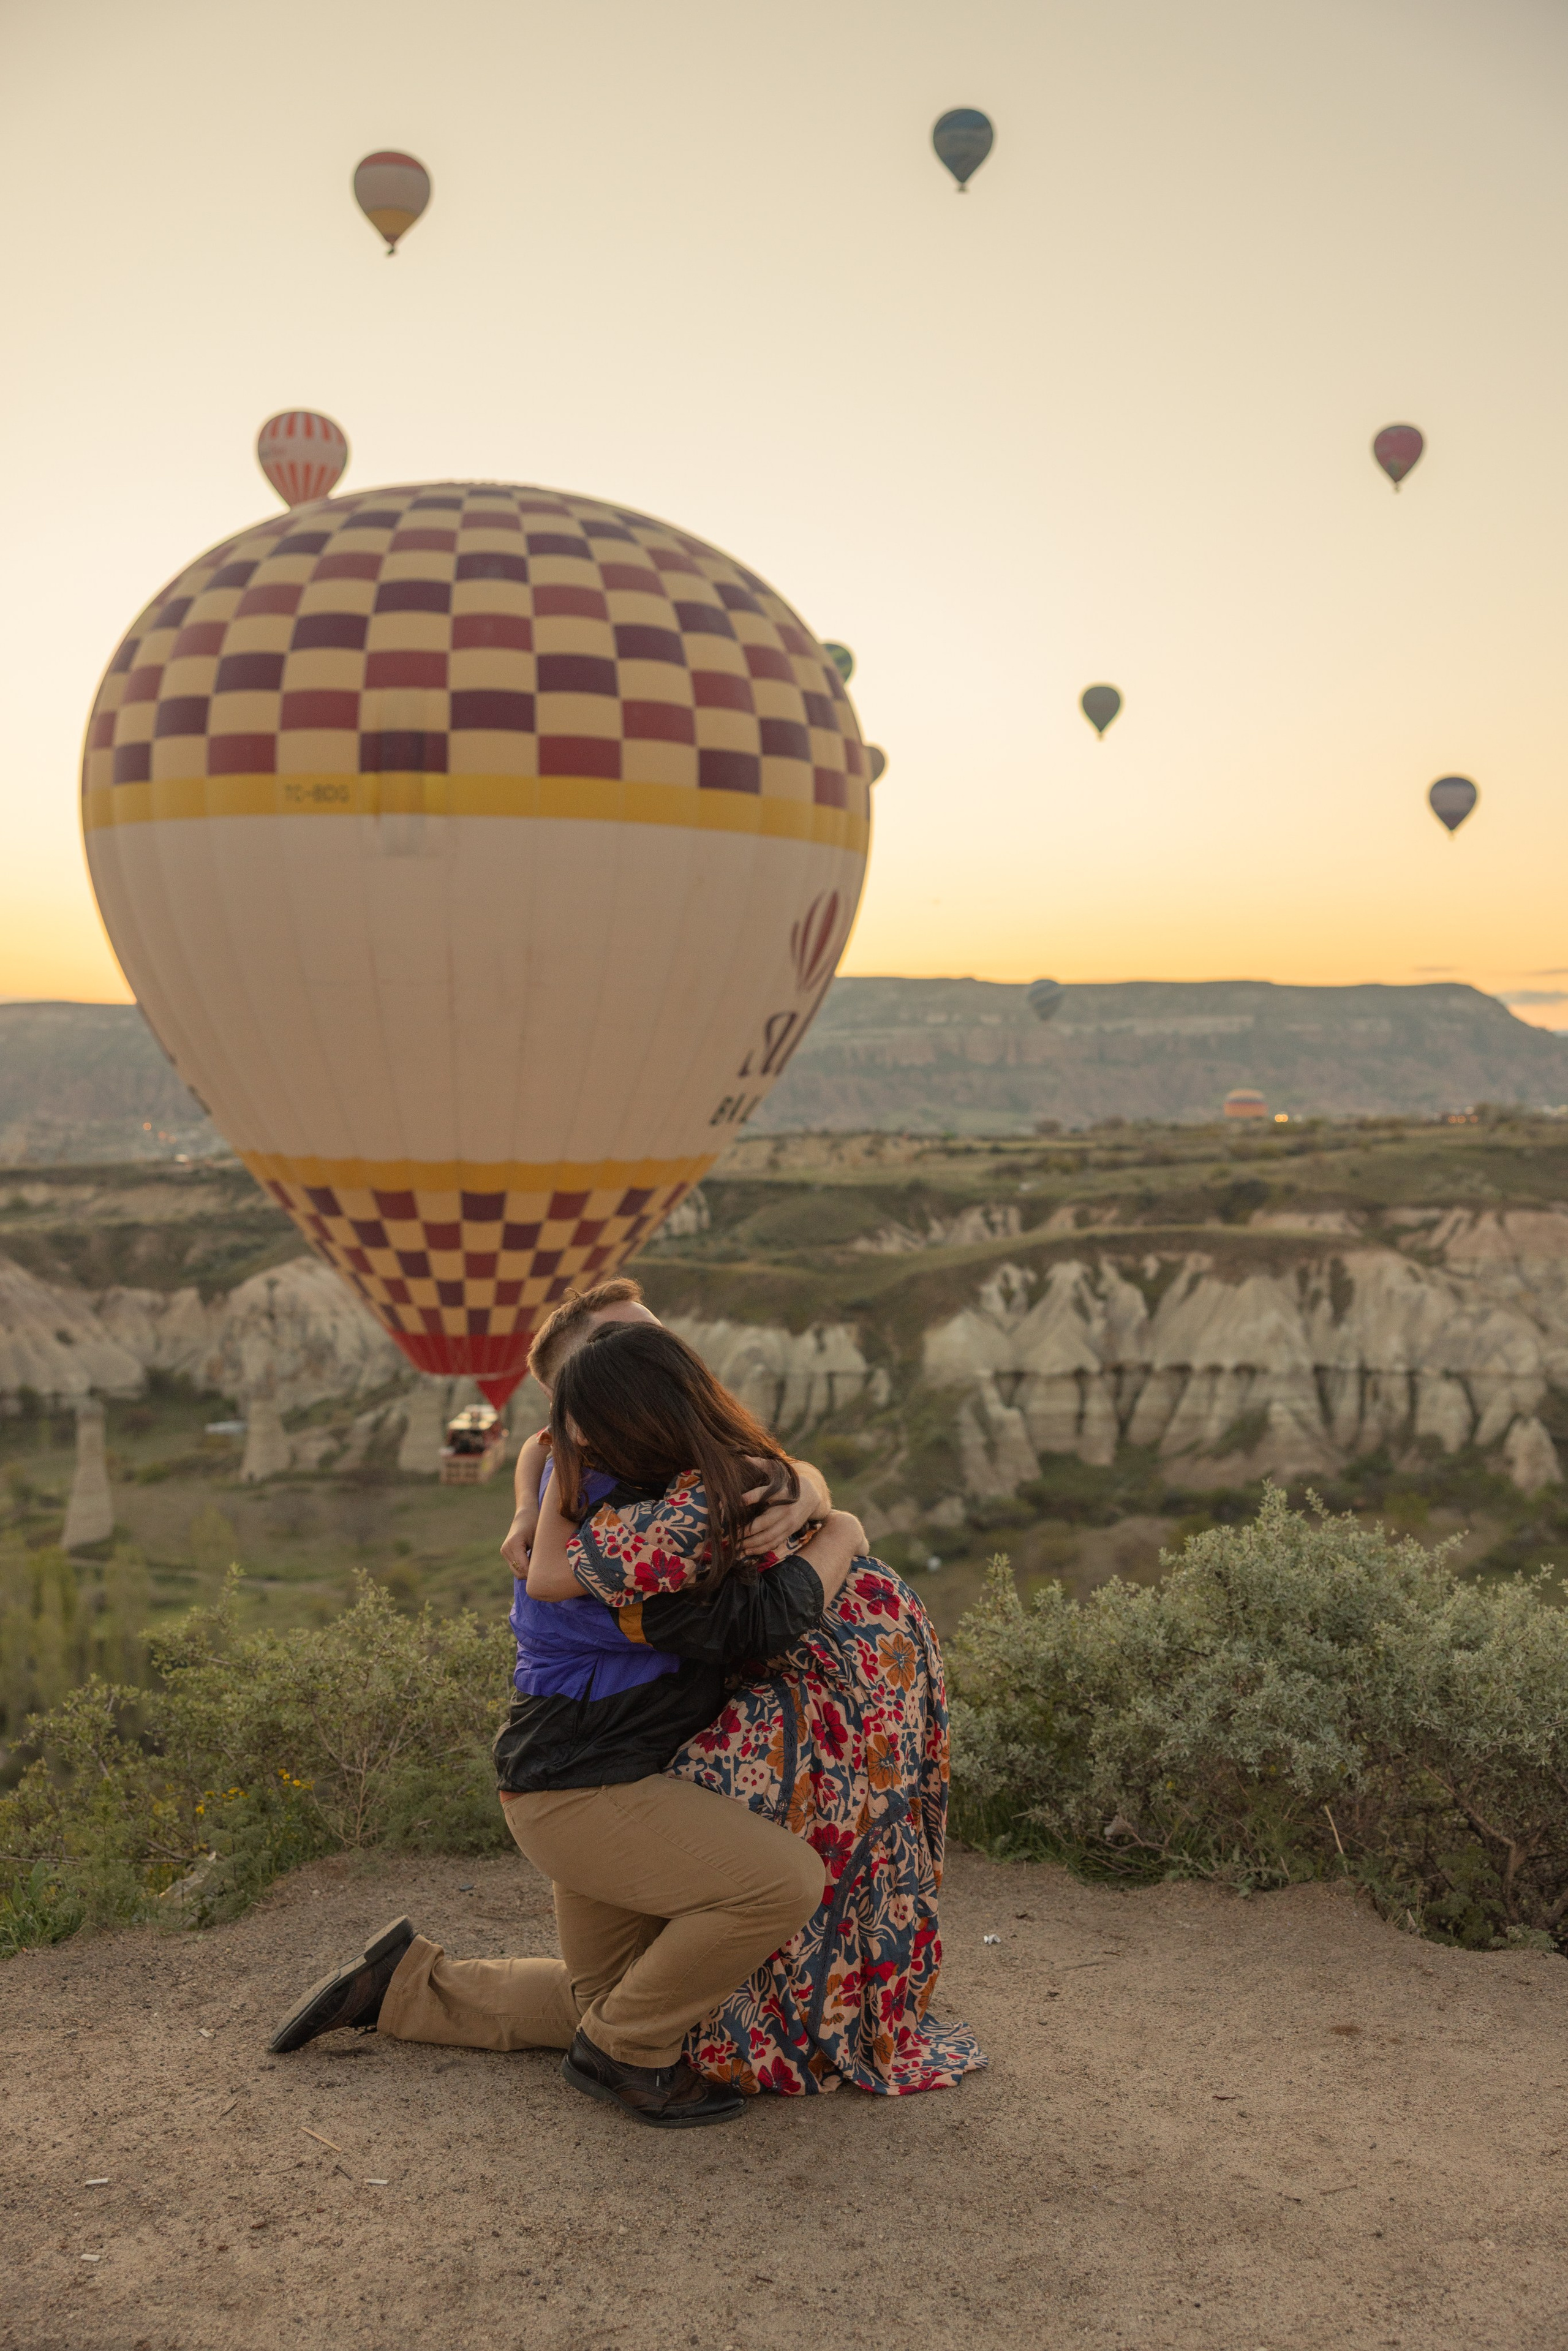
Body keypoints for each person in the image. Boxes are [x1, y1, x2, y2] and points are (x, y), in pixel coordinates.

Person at [267, 1281, 862, 2131]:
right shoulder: (625, 1532)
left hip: (579, 1773)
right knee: (780, 1886)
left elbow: (753, 1463)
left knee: (611, 1995)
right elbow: (757, 1622)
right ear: (581, 1403)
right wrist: (840, 1527)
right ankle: (626, 2056)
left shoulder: (588, 1476)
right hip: (585, 1786)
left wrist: (805, 1485)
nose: (663, 1361)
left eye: (657, 1342)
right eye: (623, 1352)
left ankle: (401, 1986)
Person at [533, 1322, 984, 2097]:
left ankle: (648, 2046)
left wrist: (536, 1491)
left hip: (823, 1726)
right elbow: (549, 1558)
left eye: (577, 1425)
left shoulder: (676, 1514)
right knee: (837, 1896)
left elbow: (547, 1572)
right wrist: (833, 1515)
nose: (568, 1439)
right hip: (872, 1708)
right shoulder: (734, 1472)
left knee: (776, 1901)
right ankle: (414, 1985)